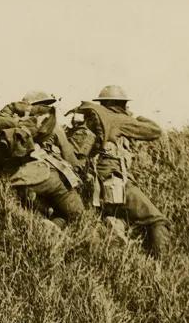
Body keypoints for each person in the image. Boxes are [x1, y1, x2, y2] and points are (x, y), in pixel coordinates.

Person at [65, 85, 172, 257]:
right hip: (115, 179)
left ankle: (113, 233)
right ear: (119, 103)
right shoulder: (119, 119)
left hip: (95, 182)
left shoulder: (93, 119)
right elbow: (155, 131)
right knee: (158, 220)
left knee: (121, 219)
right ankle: (162, 266)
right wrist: (135, 116)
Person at [0, 91, 86, 227]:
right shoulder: (53, 126)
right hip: (51, 177)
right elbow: (70, 157)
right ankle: (57, 222)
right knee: (77, 214)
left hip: (21, 180)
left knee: (37, 202)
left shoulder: (12, 125)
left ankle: (46, 217)